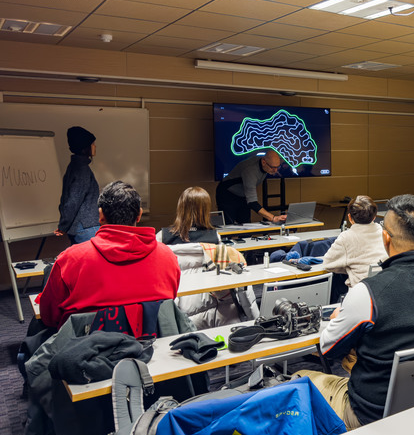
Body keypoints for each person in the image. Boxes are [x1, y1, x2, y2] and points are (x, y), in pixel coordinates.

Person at [294, 194, 414, 429]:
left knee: (299, 380)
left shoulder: (367, 294)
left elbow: (328, 348)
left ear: (386, 238)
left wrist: (336, 320)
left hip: (372, 415)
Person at [38, 181, 180, 329]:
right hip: (151, 347)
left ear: (100, 216)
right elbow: (167, 305)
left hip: (86, 348)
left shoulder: (69, 260)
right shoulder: (168, 257)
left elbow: (49, 316)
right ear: (139, 215)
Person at [322, 195, 386, 288]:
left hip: (360, 292)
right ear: (374, 217)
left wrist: (349, 267)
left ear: (349, 218)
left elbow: (327, 264)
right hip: (384, 288)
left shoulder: (346, 237)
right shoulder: (385, 234)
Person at [215, 149, 287, 225]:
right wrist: (273, 218)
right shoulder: (250, 170)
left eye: (277, 167)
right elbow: (252, 202)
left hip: (243, 194)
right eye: (273, 167)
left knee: (246, 225)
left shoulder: (266, 165)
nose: (275, 171)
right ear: (263, 162)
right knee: (228, 226)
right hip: (227, 194)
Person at [56, 126, 100, 244]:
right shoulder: (82, 169)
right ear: (85, 147)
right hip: (86, 227)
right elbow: (73, 201)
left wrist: (64, 224)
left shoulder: (73, 166)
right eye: (92, 143)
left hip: (80, 227)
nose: (95, 146)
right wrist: (63, 225)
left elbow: (66, 199)